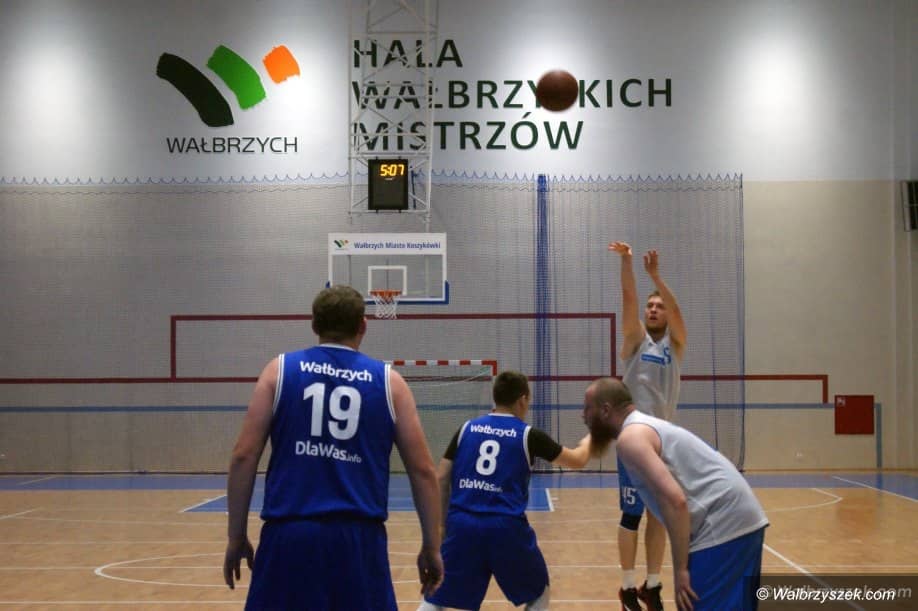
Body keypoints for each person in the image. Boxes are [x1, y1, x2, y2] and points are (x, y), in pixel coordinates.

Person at [223, 285, 443, 610]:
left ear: (314, 324)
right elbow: (423, 471)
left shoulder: (279, 370)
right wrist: (432, 545)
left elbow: (243, 456)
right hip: (359, 541)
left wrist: (236, 536)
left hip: (289, 536)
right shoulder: (390, 383)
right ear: (363, 325)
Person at [583, 377, 768, 611]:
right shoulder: (645, 427)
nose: (583, 416)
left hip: (722, 525)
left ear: (605, 410)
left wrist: (681, 570)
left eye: (587, 408)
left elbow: (675, 501)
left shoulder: (630, 439)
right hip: (742, 519)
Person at [417, 370, 593, 611]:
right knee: (539, 593)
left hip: (462, 523)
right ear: (522, 400)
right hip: (506, 527)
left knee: (436, 595)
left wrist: (442, 526)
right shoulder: (528, 435)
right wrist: (592, 438)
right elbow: (577, 460)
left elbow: (441, 477)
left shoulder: (467, 428)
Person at [608, 241, 687, 611]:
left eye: (659, 306)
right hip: (634, 439)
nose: (654, 309)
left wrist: (656, 277)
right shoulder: (636, 340)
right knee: (632, 514)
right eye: (650, 306)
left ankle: (652, 585)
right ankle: (627, 587)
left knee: (660, 514)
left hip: (664, 439)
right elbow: (628, 299)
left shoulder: (676, 344)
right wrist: (627, 263)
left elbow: (678, 311)